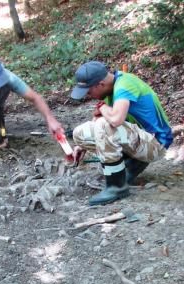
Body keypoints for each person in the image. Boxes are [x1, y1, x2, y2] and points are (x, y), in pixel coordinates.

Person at [70, 61, 173, 205]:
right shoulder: (109, 90)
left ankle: (117, 187)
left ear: (100, 84)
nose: (88, 95)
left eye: (89, 91)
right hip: (138, 139)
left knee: (104, 124)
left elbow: (115, 120)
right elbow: (97, 121)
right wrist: (82, 146)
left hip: (156, 144)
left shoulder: (124, 85)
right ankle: (128, 163)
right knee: (79, 133)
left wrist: (102, 107)